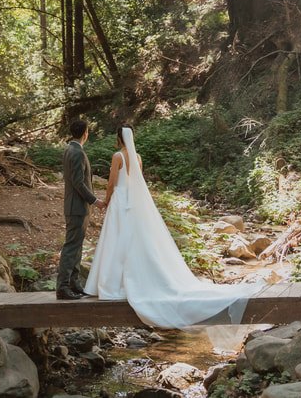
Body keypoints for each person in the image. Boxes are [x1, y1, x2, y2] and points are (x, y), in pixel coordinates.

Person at [84, 125, 262, 328]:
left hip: (119, 200)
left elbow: (112, 183)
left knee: (116, 239)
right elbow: (137, 183)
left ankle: (113, 283)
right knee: (134, 239)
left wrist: (107, 201)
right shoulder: (138, 157)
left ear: (119, 138)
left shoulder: (117, 156)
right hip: (133, 202)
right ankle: (134, 279)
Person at [56, 119, 103, 300]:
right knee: (71, 247)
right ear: (85, 133)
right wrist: (94, 200)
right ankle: (63, 286)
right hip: (77, 207)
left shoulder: (70, 149)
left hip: (75, 206)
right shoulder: (77, 153)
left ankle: (74, 282)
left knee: (76, 246)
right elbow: (78, 182)